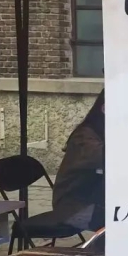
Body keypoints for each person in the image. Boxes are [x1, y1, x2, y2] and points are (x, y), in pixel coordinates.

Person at [52, 89, 105, 232]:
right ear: (105, 109)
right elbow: (104, 157)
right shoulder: (83, 137)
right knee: (127, 218)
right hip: (74, 208)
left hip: (95, 201)